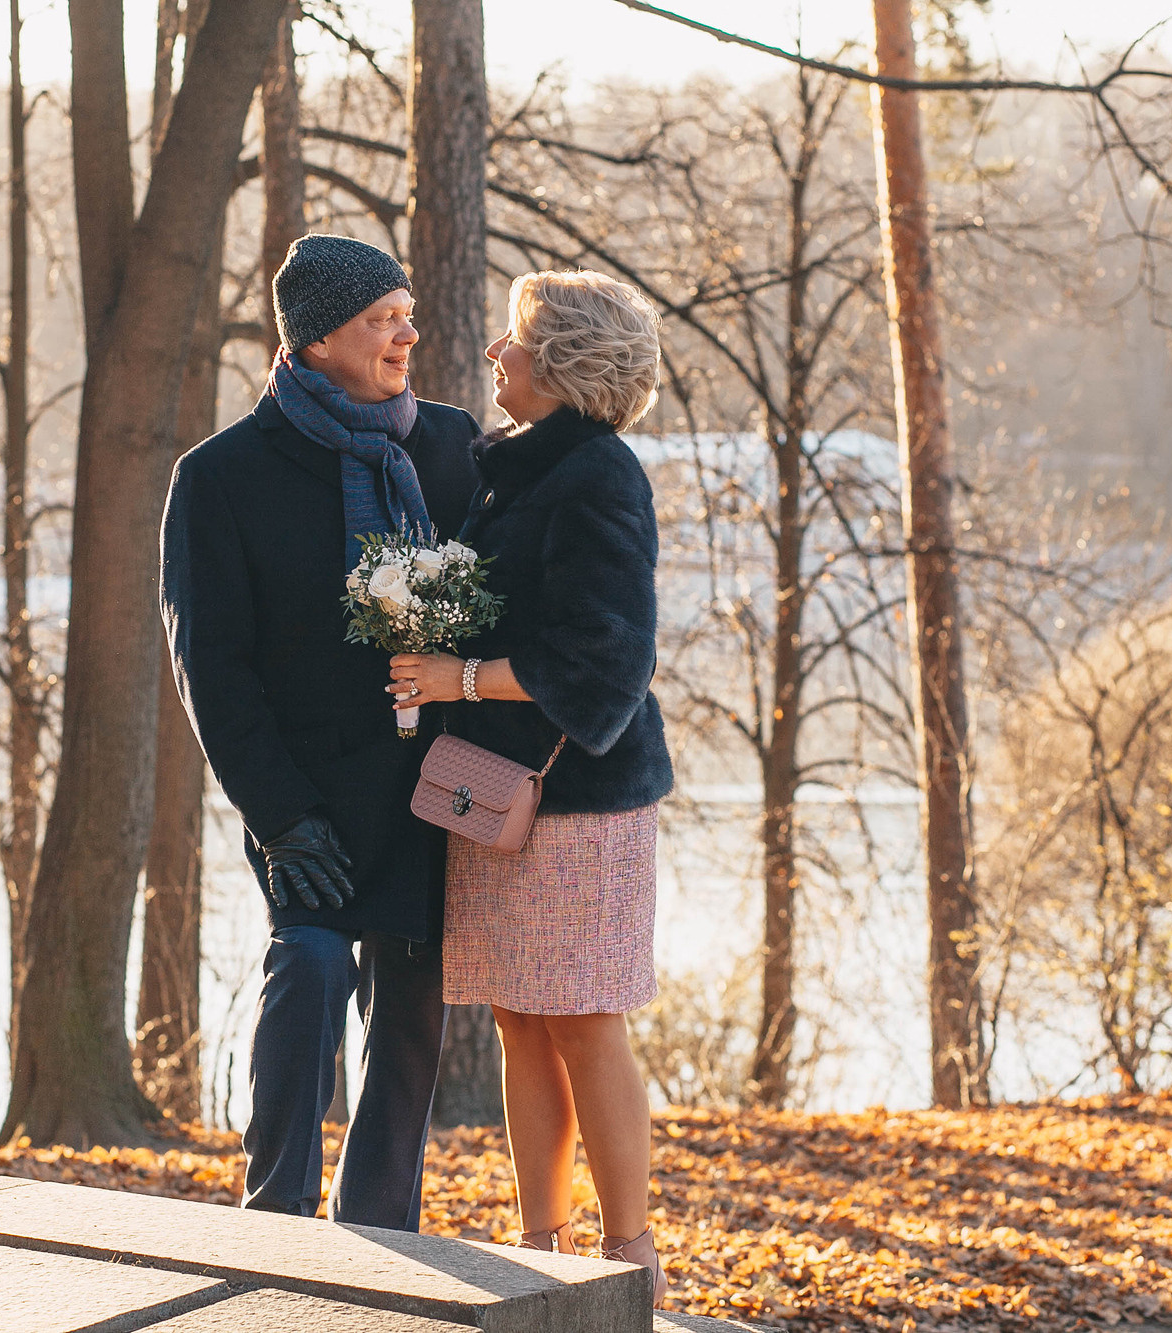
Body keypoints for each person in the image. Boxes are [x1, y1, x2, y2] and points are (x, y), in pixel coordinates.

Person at [160, 234, 480, 1229]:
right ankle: (275, 1220)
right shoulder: (219, 477)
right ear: (318, 339)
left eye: (405, 313)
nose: (405, 336)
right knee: (306, 964)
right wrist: (283, 817)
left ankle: (378, 1236)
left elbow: (487, 610)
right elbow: (212, 667)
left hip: (422, 784)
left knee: (410, 1016)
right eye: (382, 319)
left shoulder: (446, 444)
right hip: (302, 797)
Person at [388, 271, 674, 1300]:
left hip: (582, 798)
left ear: (559, 366)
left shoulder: (598, 474)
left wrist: (454, 676)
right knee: (518, 1014)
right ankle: (541, 1248)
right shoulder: (508, 467)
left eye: (514, 345)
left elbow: (606, 659)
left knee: (584, 1013)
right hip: (494, 785)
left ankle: (628, 1252)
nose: (497, 358)